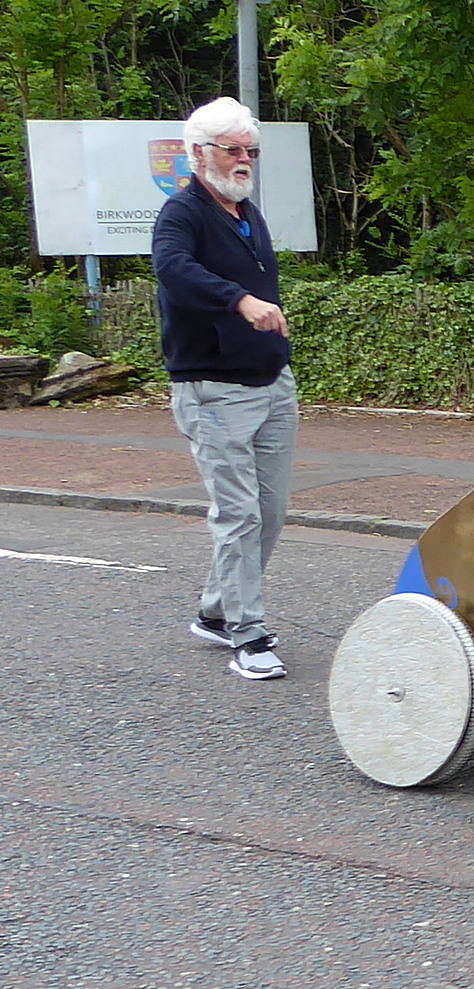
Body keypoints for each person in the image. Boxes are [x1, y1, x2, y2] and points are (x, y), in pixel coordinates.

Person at [154, 96, 299, 681]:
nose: (244, 161)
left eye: (250, 152)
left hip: (271, 382)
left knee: (269, 511)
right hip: (212, 389)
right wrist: (239, 301)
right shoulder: (181, 214)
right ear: (197, 153)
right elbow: (173, 270)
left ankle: (216, 612)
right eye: (232, 150)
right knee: (238, 514)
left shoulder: (245, 211)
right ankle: (248, 633)